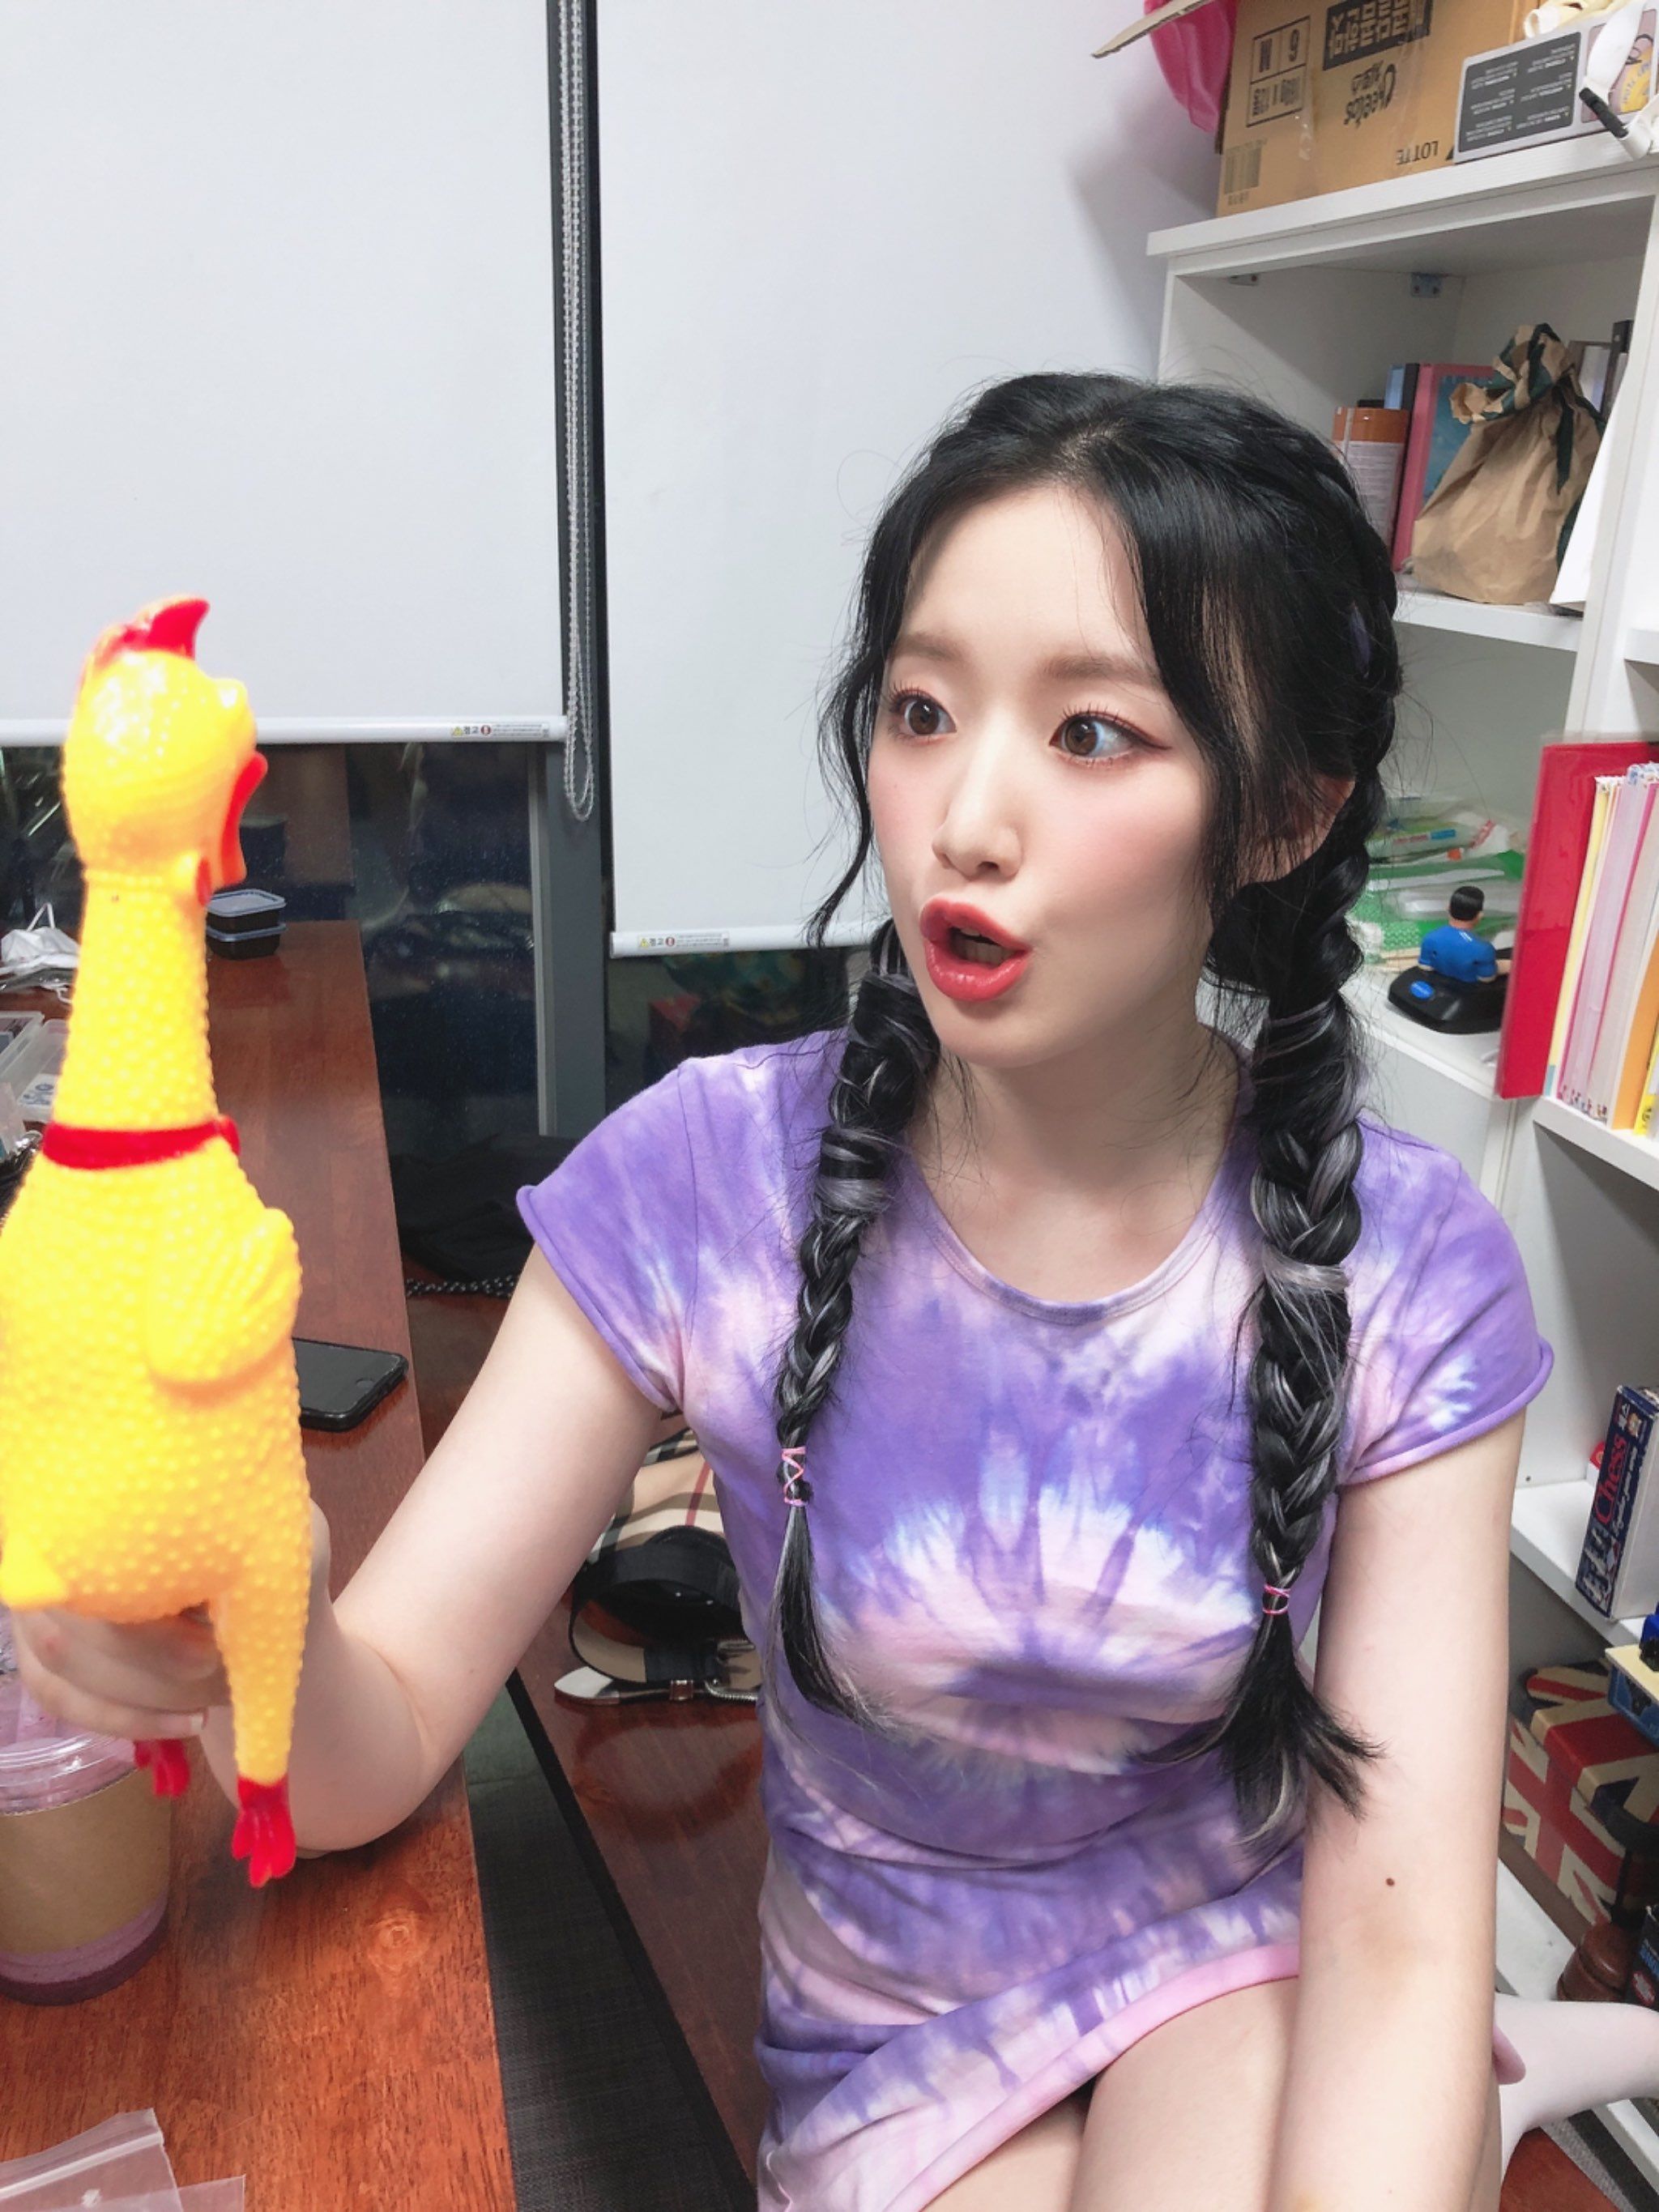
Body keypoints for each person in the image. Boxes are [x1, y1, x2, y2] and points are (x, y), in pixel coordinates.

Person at [15, 372, 1659, 2212]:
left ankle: (1507, 2069)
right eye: (920, 709)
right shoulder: (707, 1182)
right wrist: (255, 1618)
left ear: (1279, 812)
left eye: (1090, 733)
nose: (963, 816)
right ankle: (1532, 2067)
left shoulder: (1407, 1268)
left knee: (1307, 2079)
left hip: (1248, 1976)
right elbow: (379, 1734)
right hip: (898, 2056)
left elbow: (1396, 1930)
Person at [1418, 884, 1506, 987]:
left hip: (1441, 982)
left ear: (1448, 908)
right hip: (1469, 988)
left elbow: (1425, 966)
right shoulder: (1484, 949)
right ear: (1479, 915)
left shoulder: (1429, 938)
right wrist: (1500, 967)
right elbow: (1486, 978)